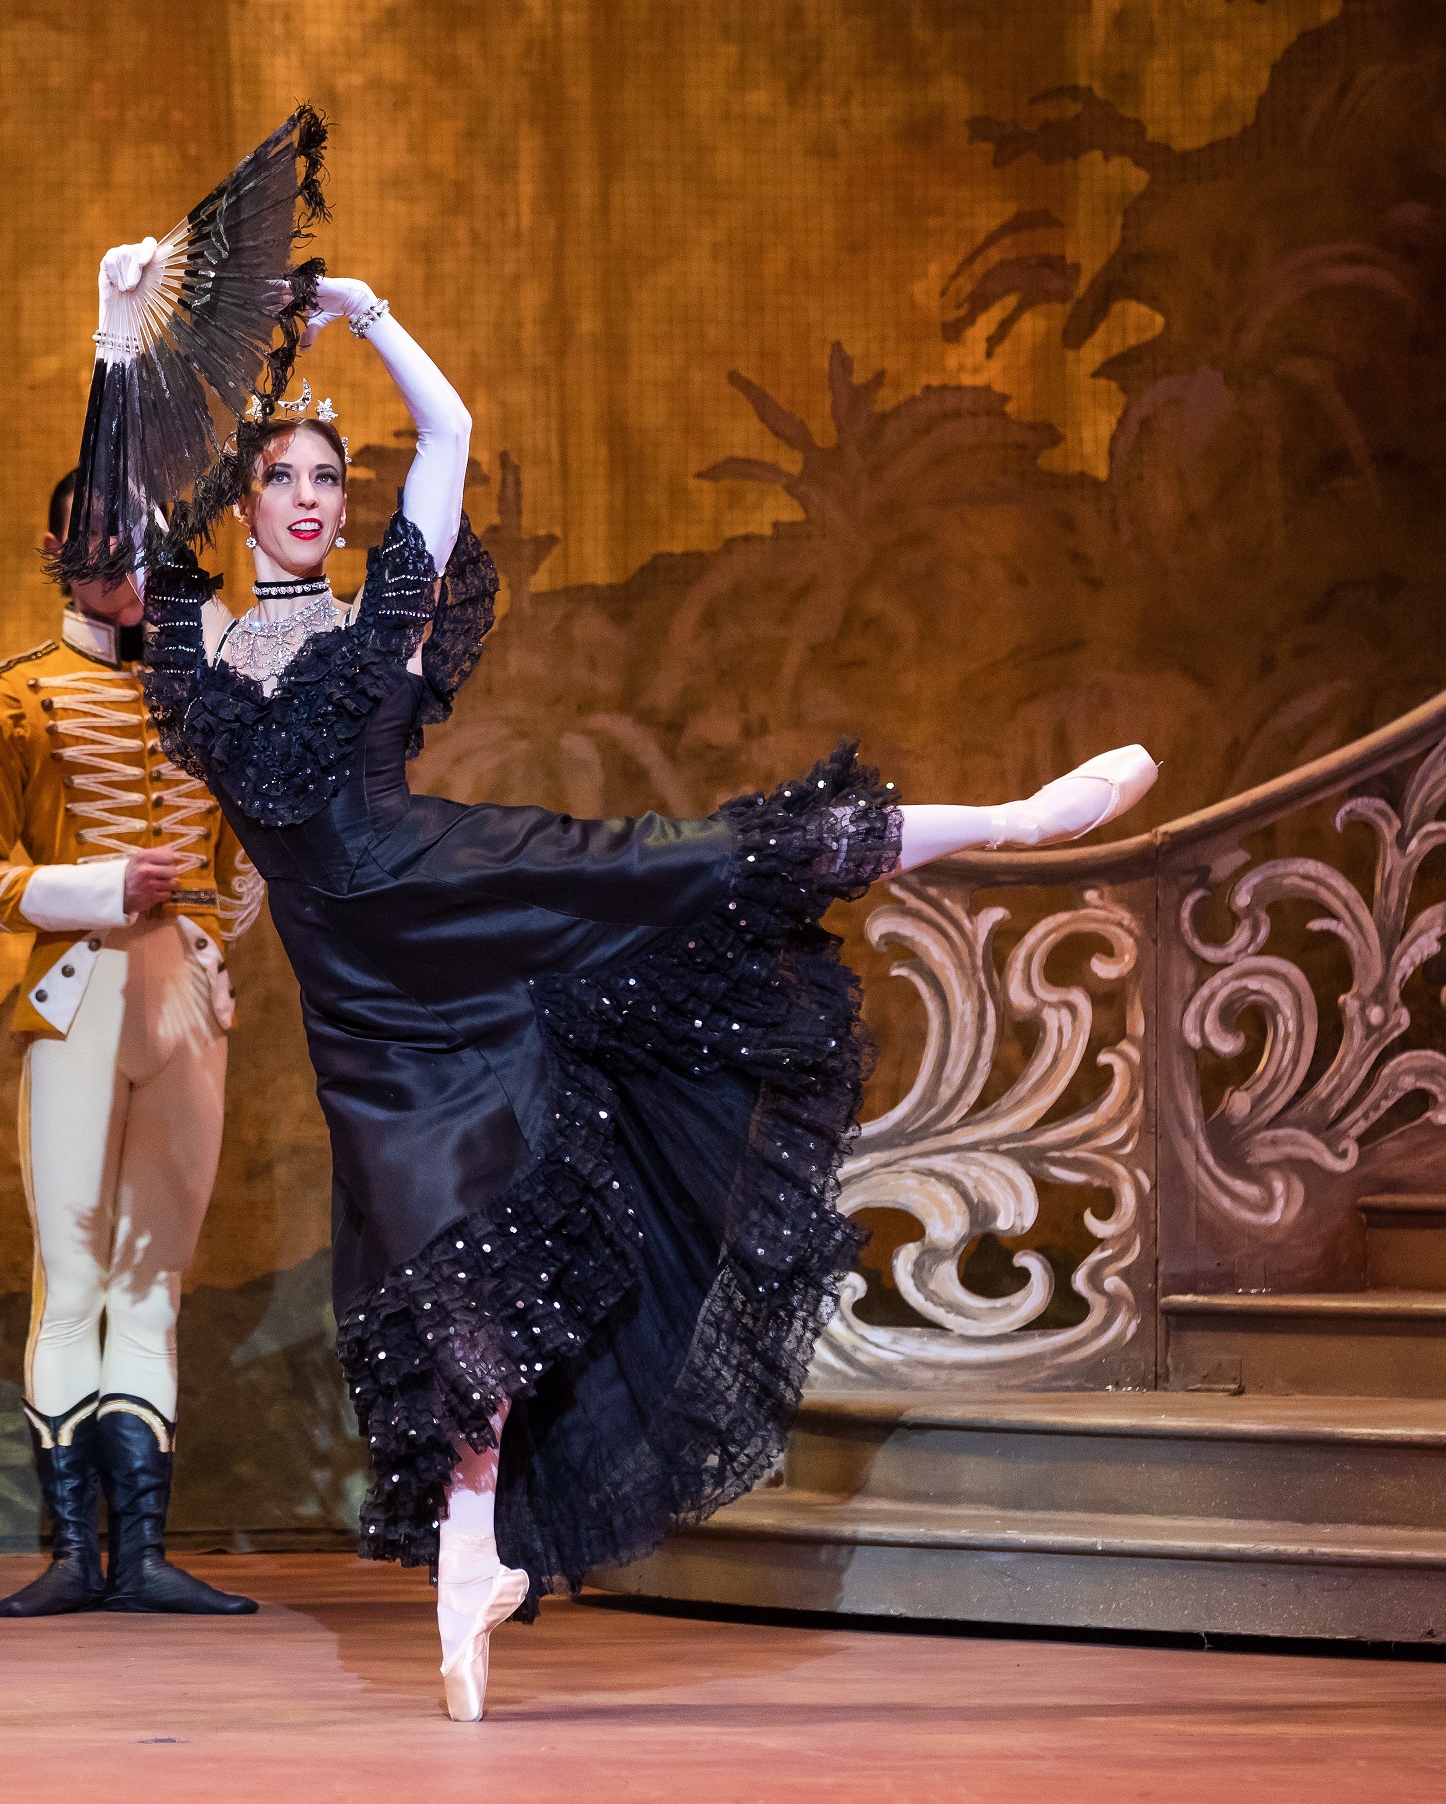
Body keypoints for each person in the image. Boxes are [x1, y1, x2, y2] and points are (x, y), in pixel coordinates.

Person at [106, 245, 1158, 1719]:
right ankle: (469, 1554)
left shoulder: (377, 623)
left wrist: (381, 320)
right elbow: (122, 506)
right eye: (281, 477)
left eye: (324, 482)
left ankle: (1005, 820)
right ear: (243, 502)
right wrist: (117, 326)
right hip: (360, 995)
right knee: (444, 1265)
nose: (304, 498)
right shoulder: (199, 645)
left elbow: (456, 441)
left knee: (698, 858)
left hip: (464, 889)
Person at [0, 470, 263, 1618]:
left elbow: (246, 868)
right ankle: (76, 1554)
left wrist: (207, 949)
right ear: (55, 542)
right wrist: (95, 887)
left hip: (186, 1007)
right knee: (71, 1281)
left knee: (154, 1281)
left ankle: (146, 1555)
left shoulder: (218, 695)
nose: (129, 556)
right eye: (104, 536)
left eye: (147, 535)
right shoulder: (13, 699)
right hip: (75, 1004)